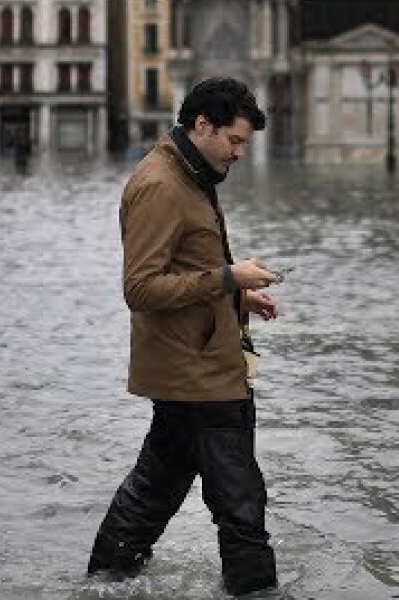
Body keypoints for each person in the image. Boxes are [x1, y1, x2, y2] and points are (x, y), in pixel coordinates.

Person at [87, 77, 281, 596]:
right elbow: (141, 288)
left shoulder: (190, 176)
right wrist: (228, 278)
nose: (240, 153)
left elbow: (186, 269)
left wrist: (239, 298)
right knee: (241, 504)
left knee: (154, 492)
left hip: (199, 367)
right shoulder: (161, 185)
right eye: (235, 141)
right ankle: (257, 592)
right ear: (202, 126)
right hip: (200, 377)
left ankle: (103, 582)